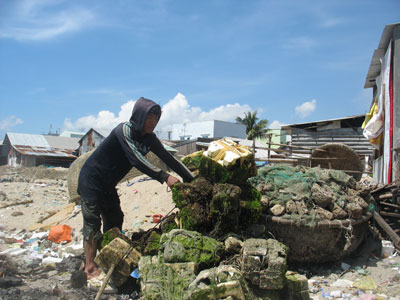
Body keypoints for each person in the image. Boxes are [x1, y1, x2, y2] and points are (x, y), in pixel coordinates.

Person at [78, 97, 194, 279]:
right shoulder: (123, 131)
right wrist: (164, 176)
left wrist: (192, 180)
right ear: (139, 116)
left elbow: (170, 159)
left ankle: (107, 256)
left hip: (108, 184)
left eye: (156, 119)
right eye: (150, 118)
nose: (153, 123)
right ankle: (89, 266)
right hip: (91, 180)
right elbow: (136, 158)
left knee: (115, 218)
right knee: (92, 223)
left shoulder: (150, 139)